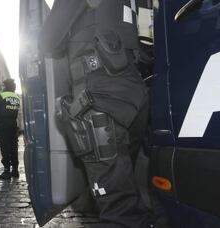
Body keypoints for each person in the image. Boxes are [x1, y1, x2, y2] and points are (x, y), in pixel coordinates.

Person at [38, 0, 155, 226]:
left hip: (100, 92)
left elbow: (48, 40)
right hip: (134, 88)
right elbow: (147, 40)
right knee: (133, 190)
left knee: (119, 209)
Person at [0, 78, 21, 180]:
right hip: (13, 124)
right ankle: (15, 170)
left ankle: (7, 171)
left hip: (3, 124)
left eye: (4, 86)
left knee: (5, 148)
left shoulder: (2, 95)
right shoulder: (16, 97)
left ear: (6, 86)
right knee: (13, 147)